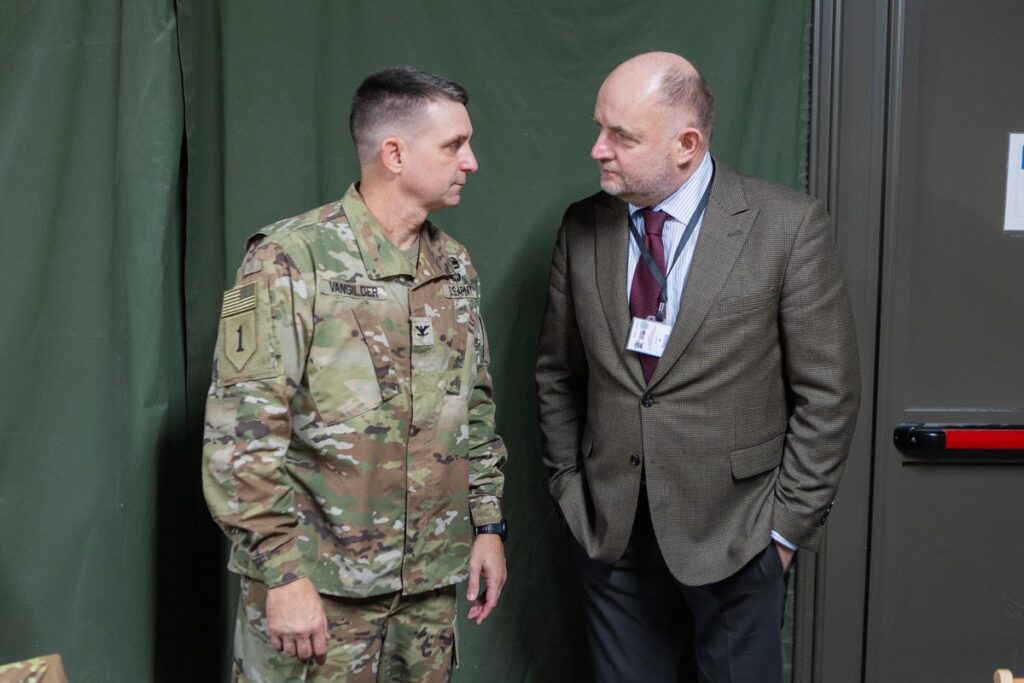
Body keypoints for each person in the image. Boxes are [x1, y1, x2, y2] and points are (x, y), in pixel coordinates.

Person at [535, 52, 860, 682]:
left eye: (621, 136)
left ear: (687, 144)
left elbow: (829, 392)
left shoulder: (787, 227)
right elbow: (556, 373)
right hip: (611, 533)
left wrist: (785, 532)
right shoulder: (582, 227)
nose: (598, 149)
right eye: (600, 128)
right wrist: (570, 488)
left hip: (739, 533)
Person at [202, 66, 508, 682]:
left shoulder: (453, 266)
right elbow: (240, 440)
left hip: (426, 592)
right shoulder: (290, 259)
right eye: (454, 145)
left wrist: (488, 524)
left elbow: (472, 406)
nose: (470, 161)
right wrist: (281, 574)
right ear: (394, 153)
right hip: (317, 593)